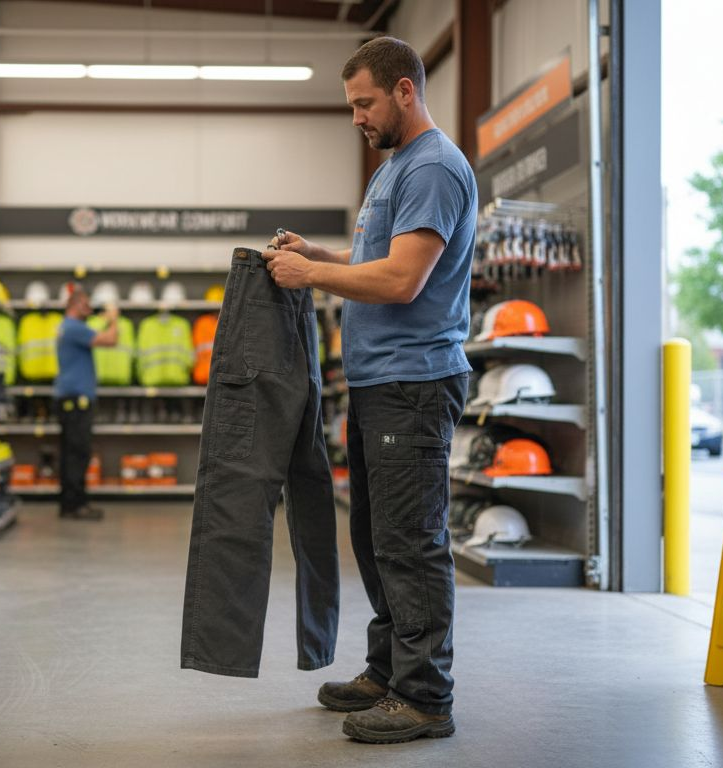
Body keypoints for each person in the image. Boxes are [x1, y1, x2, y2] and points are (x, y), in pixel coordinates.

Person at [263, 36, 477, 745]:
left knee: (410, 542)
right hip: (381, 380)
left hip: (414, 382)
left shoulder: (435, 168)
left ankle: (425, 697)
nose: (355, 116)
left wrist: (310, 278)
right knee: (379, 538)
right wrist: (323, 256)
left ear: (405, 92)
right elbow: (379, 258)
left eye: (364, 102)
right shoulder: (394, 169)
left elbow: (401, 280)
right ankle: (388, 673)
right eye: (351, 104)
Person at [54, 283, 120, 521]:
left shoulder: (70, 328)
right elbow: (111, 340)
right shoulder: (74, 328)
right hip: (76, 401)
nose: (90, 308)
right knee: (78, 453)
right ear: (74, 304)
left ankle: (69, 504)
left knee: (71, 452)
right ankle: (76, 505)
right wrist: (114, 319)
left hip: (70, 399)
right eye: (86, 304)